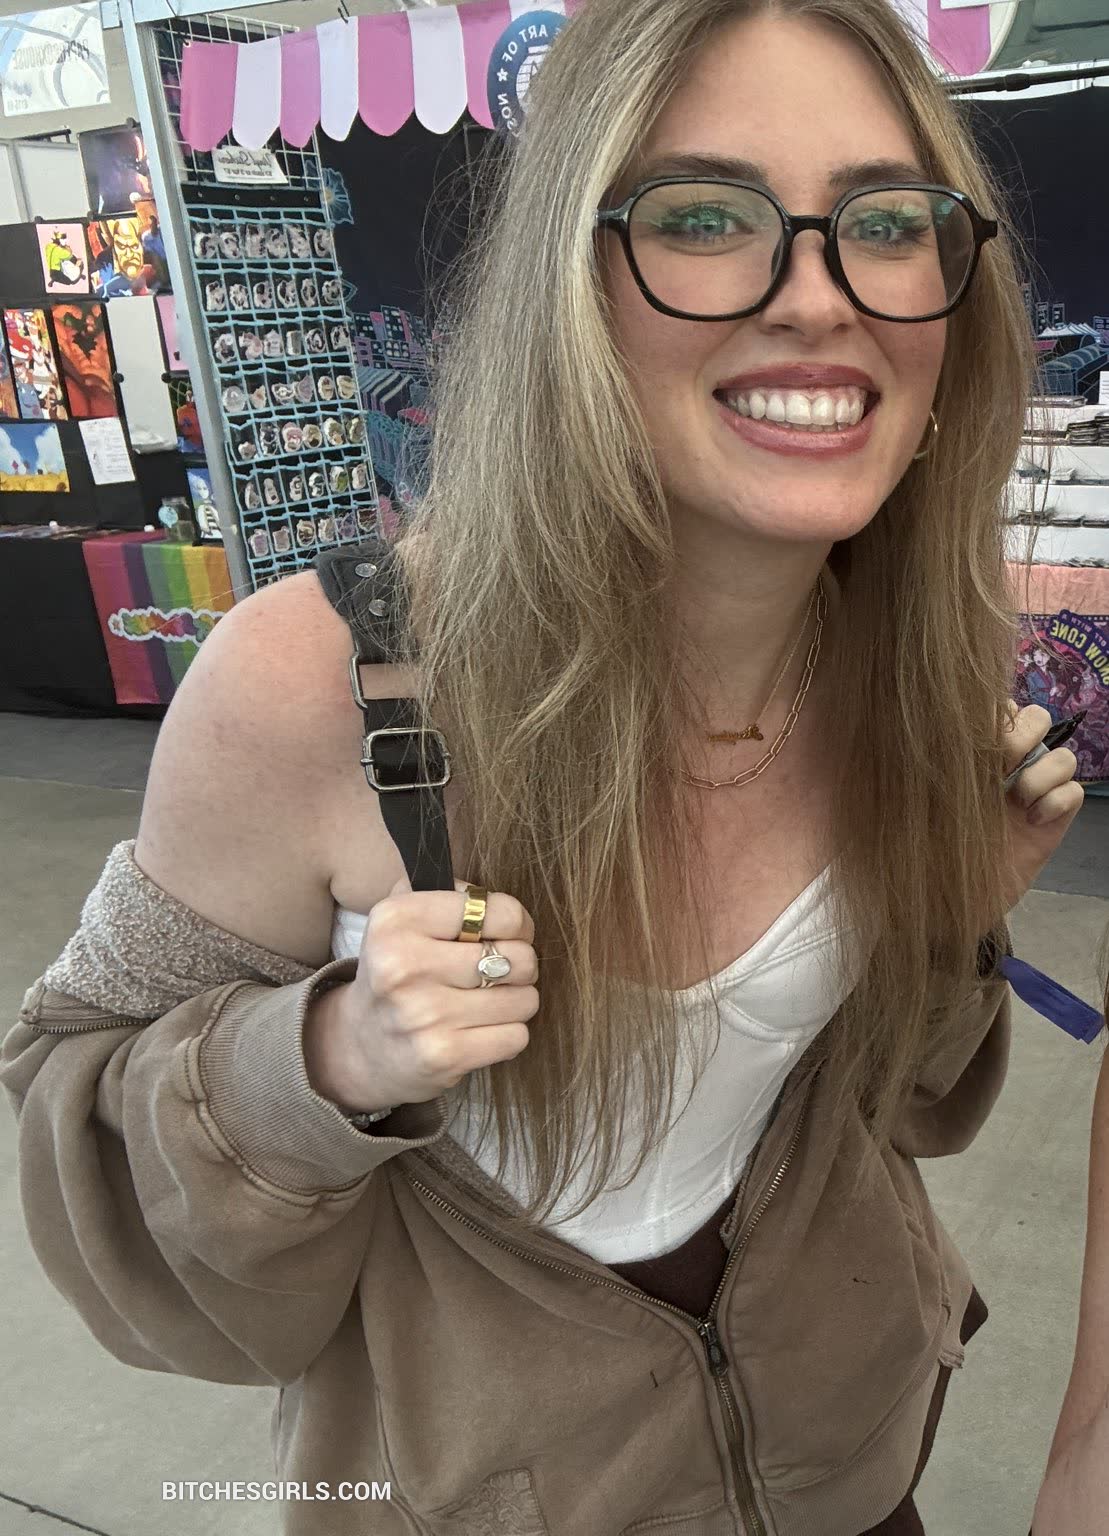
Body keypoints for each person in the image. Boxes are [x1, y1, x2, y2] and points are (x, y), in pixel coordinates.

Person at [0, 1, 1091, 1532]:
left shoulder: (914, 662)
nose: (816, 296)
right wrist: (329, 1060)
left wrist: (946, 913)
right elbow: (95, 1167)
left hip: (850, 1474)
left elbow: (886, 1108)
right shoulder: (313, 684)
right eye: (702, 216)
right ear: (565, 282)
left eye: (885, 222)